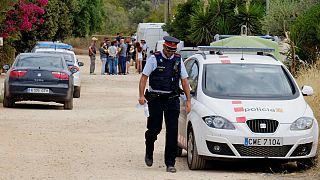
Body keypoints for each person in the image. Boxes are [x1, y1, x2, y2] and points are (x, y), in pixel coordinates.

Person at [138, 36, 191, 173]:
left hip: (172, 99)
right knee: (154, 129)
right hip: (155, 99)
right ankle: (149, 147)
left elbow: (185, 81)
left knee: (172, 132)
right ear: (164, 47)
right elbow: (144, 77)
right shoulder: (154, 59)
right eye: (168, 49)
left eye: (173, 50)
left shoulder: (178, 60)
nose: (170, 52)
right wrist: (141, 96)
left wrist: (189, 101)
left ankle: (170, 163)